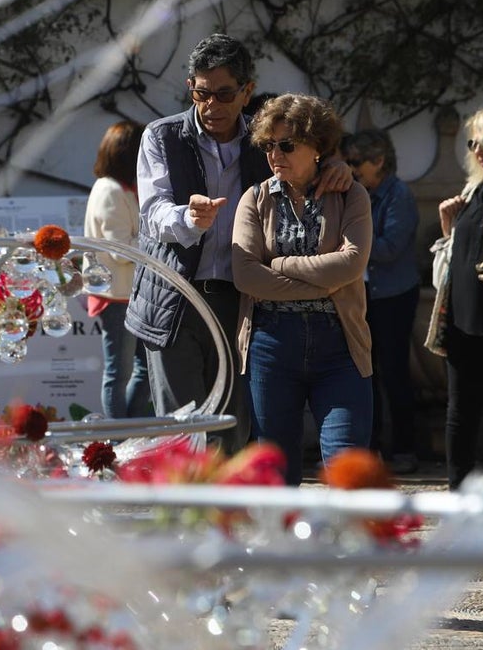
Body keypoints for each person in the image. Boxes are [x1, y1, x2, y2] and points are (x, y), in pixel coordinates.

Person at [125, 33, 352, 454]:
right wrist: (188, 218)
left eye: (224, 94)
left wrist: (336, 167)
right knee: (182, 433)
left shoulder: (266, 141)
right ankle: (188, 498)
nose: (211, 105)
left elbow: (305, 165)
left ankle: (224, 498)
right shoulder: (162, 136)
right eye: (201, 93)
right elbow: (153, 212)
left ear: (247, 91)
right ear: (190, 87)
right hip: (175, 298)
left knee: (232, 428)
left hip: (243, 301)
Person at [232, 93, 373, 486]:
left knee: (348, 466)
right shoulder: (255, 199)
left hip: (340, 344)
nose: (275, 154)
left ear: (317, 147)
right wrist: (325, 284)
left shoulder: (350, 194)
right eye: (268, 145)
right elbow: (246, 275)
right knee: (277, 476)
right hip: (271, 345)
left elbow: (351, 264)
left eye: (287, 145)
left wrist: (279, 264)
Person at [341, 129, 421, 474]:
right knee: (364, 374)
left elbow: (390, 248)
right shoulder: (357, 192)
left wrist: (351, 244)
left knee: (394, 372)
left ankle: (404, 449)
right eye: (348, 161)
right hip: (364, 296)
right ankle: (368, 450)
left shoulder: (398, 195)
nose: (351, 168)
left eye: (357, 161)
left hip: (393, 296)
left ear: (379, 161)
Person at [431, 102, 483, 490]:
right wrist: (447, 225)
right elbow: (458, 251)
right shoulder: (474, 191)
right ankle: (458, 494)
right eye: (473, 142)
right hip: (464, 318)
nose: (477, 150)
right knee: (460, 412)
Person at [84, 122, 153, 419]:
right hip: (117, 297)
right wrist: (157, 243)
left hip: (128, 294)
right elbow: (120, 249)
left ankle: (128, 434)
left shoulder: (120, 188)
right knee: (119, 373)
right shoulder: (111, 190)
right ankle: (119, 439)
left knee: (145, 370)